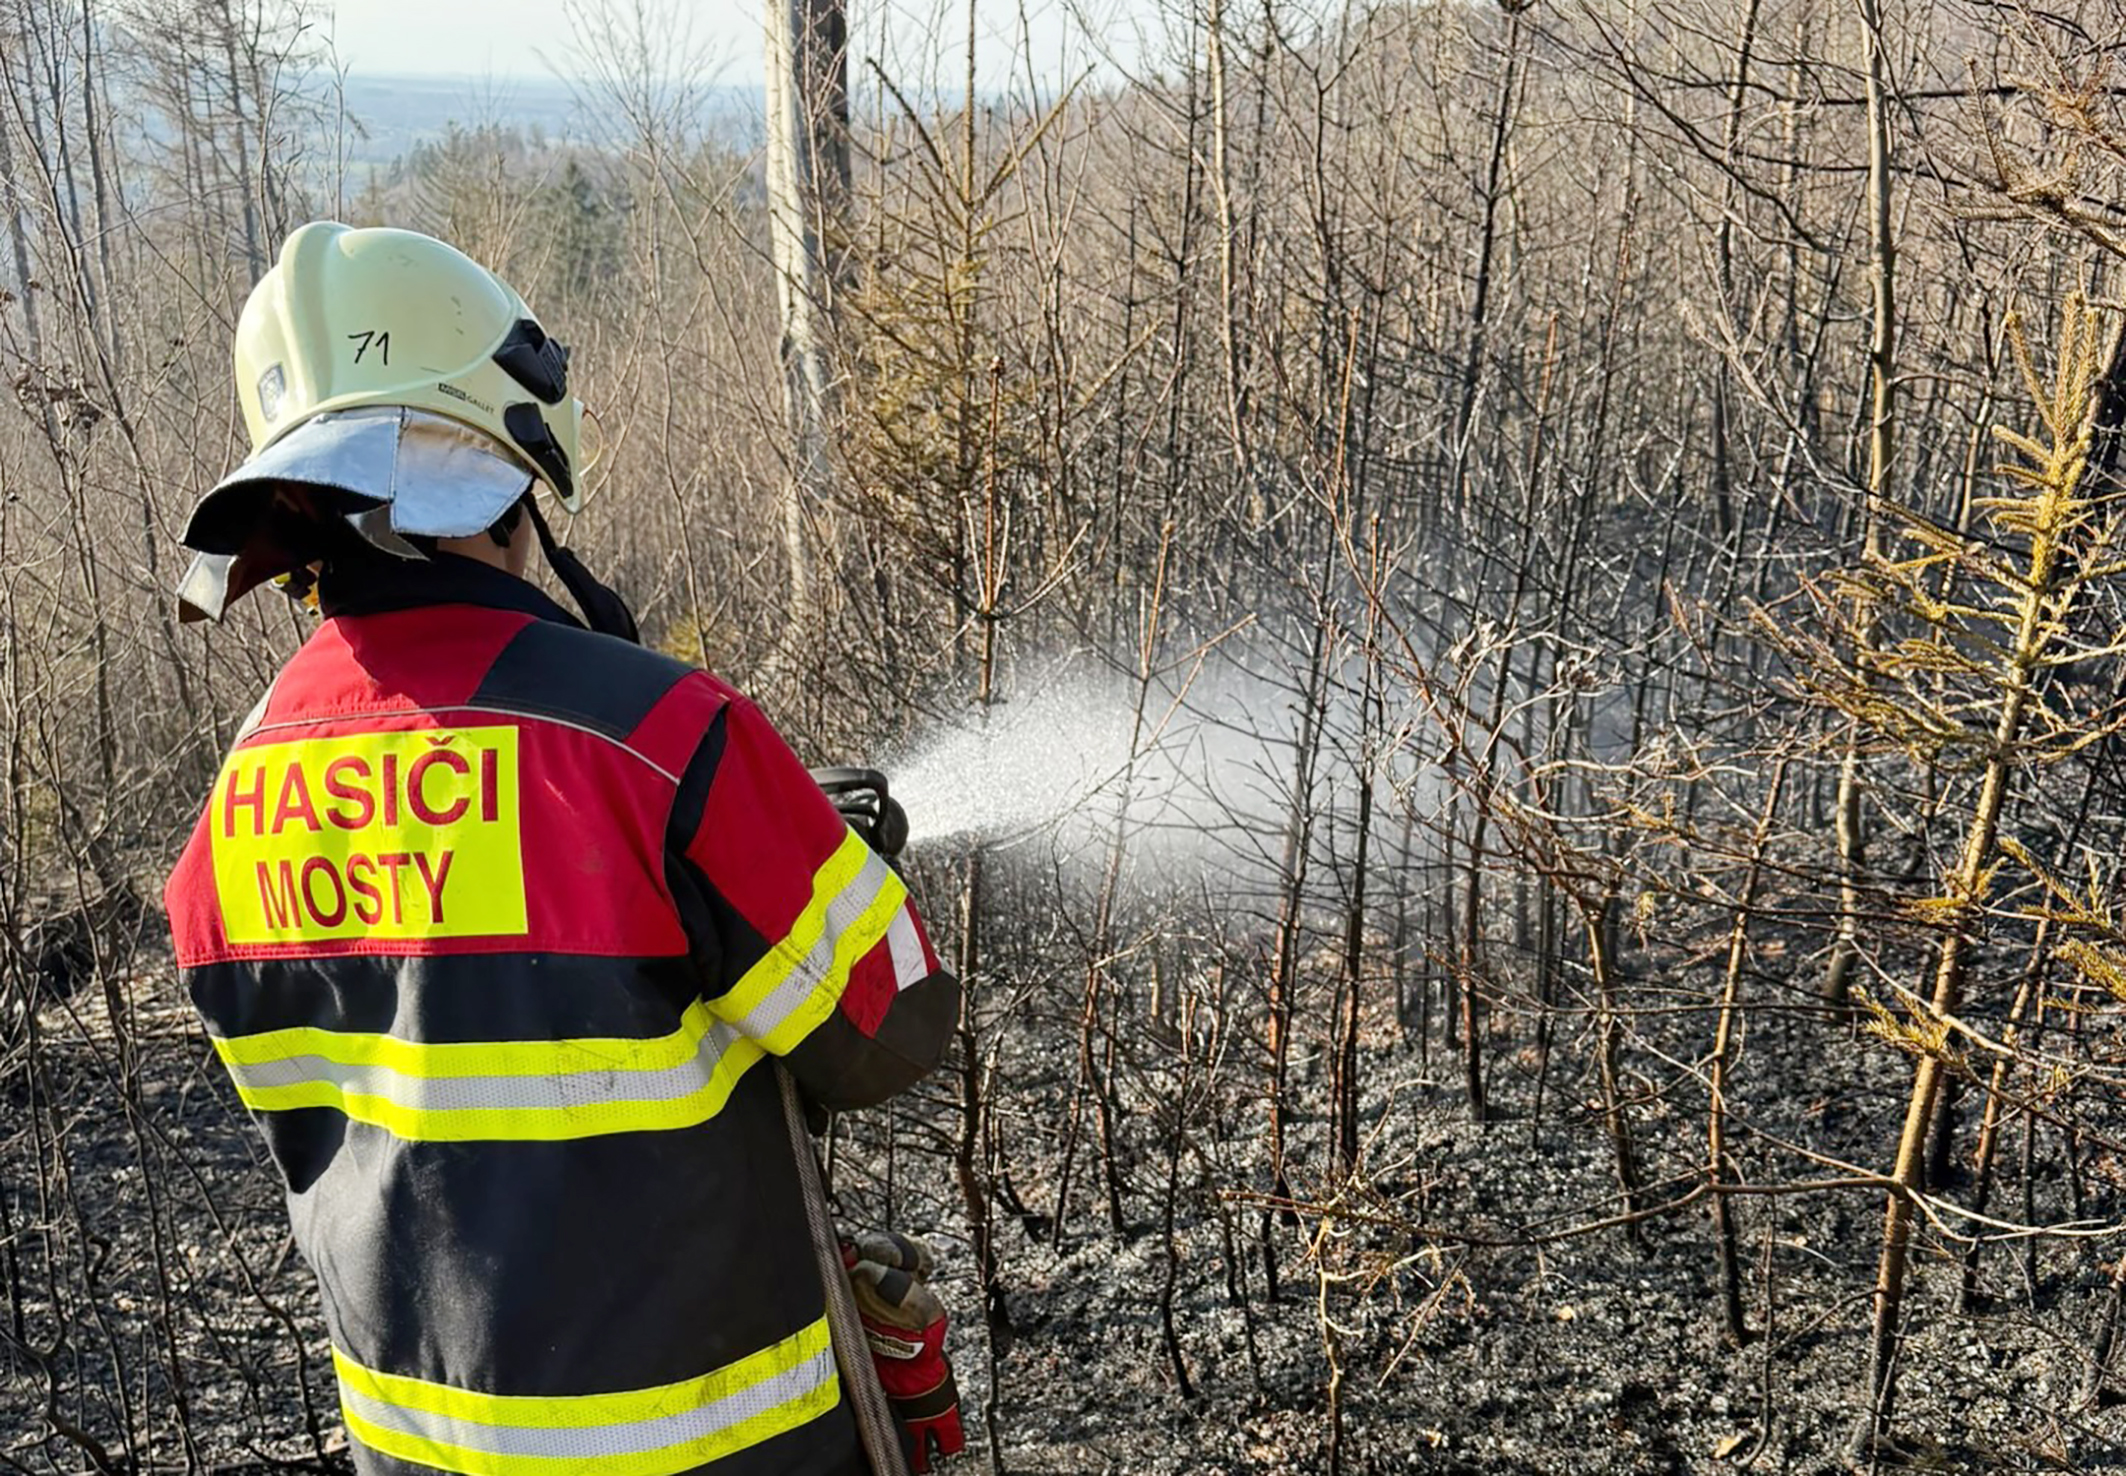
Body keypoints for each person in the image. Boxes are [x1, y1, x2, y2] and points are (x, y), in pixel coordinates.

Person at [161, 222, 964, 1476]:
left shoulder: (233, 809)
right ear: (501, 459)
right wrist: (809, 863)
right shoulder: (657, 736)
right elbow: (890, 1027)